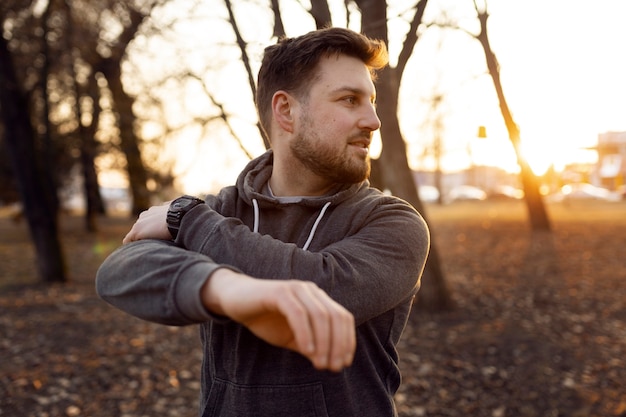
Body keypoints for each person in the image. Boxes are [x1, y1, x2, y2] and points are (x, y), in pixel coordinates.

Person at [96, 27, 430, 417]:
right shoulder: (218, 211)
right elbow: (118, 271)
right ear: (286, 111)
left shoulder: (392, 223)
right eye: (350, 100)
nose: (373, 121)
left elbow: (326, 286)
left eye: (370, 102)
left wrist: (193, 225)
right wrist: (226, 289)